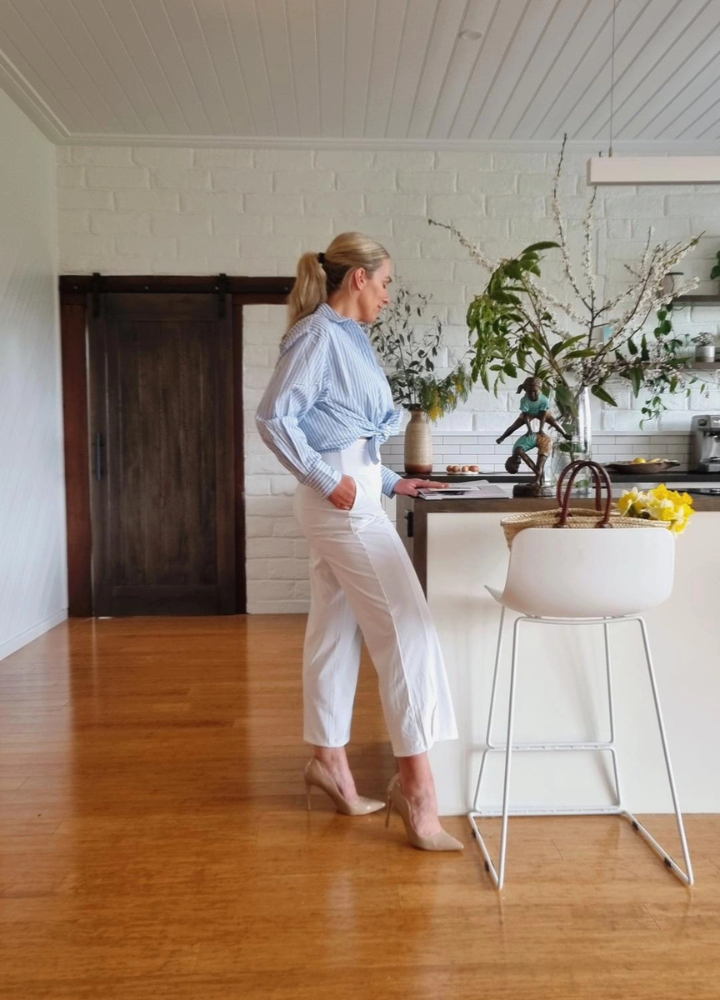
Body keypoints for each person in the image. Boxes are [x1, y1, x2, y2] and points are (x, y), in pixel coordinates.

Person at [255, 232, 462, 851]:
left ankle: (331, 765)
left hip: (352, 495)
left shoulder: (349, 337)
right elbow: (273, 417)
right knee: (410, 632)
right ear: (358, 280)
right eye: (387, 282)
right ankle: (418, 792)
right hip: (339, 504)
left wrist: (396, 482)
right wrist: (328, 480)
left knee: (333, 634)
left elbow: (343, 433)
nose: (391, 295)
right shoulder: (320, 335)